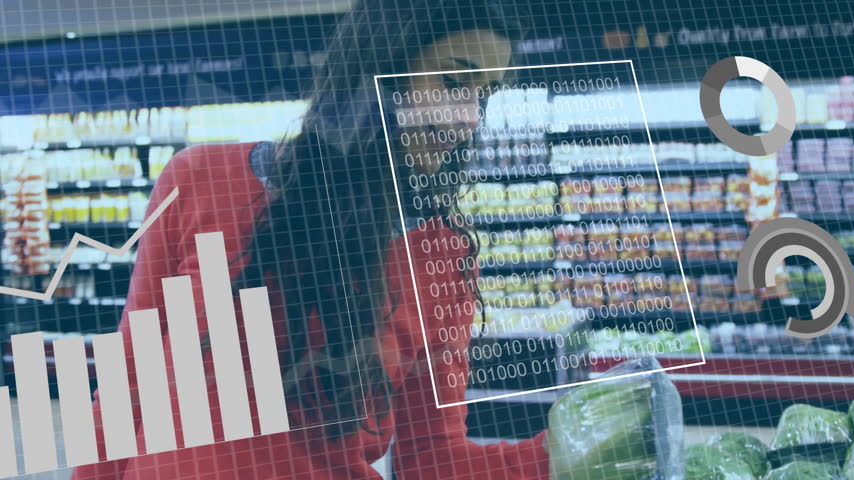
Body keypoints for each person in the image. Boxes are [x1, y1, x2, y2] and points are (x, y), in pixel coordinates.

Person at [72, 1, 549, 479]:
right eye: (452, 81)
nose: (468, 118)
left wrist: (565, 446)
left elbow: (432, 460)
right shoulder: (199, 181)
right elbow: (127, 388)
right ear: (381, 68)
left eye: (484, 95)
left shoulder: (442, 256)